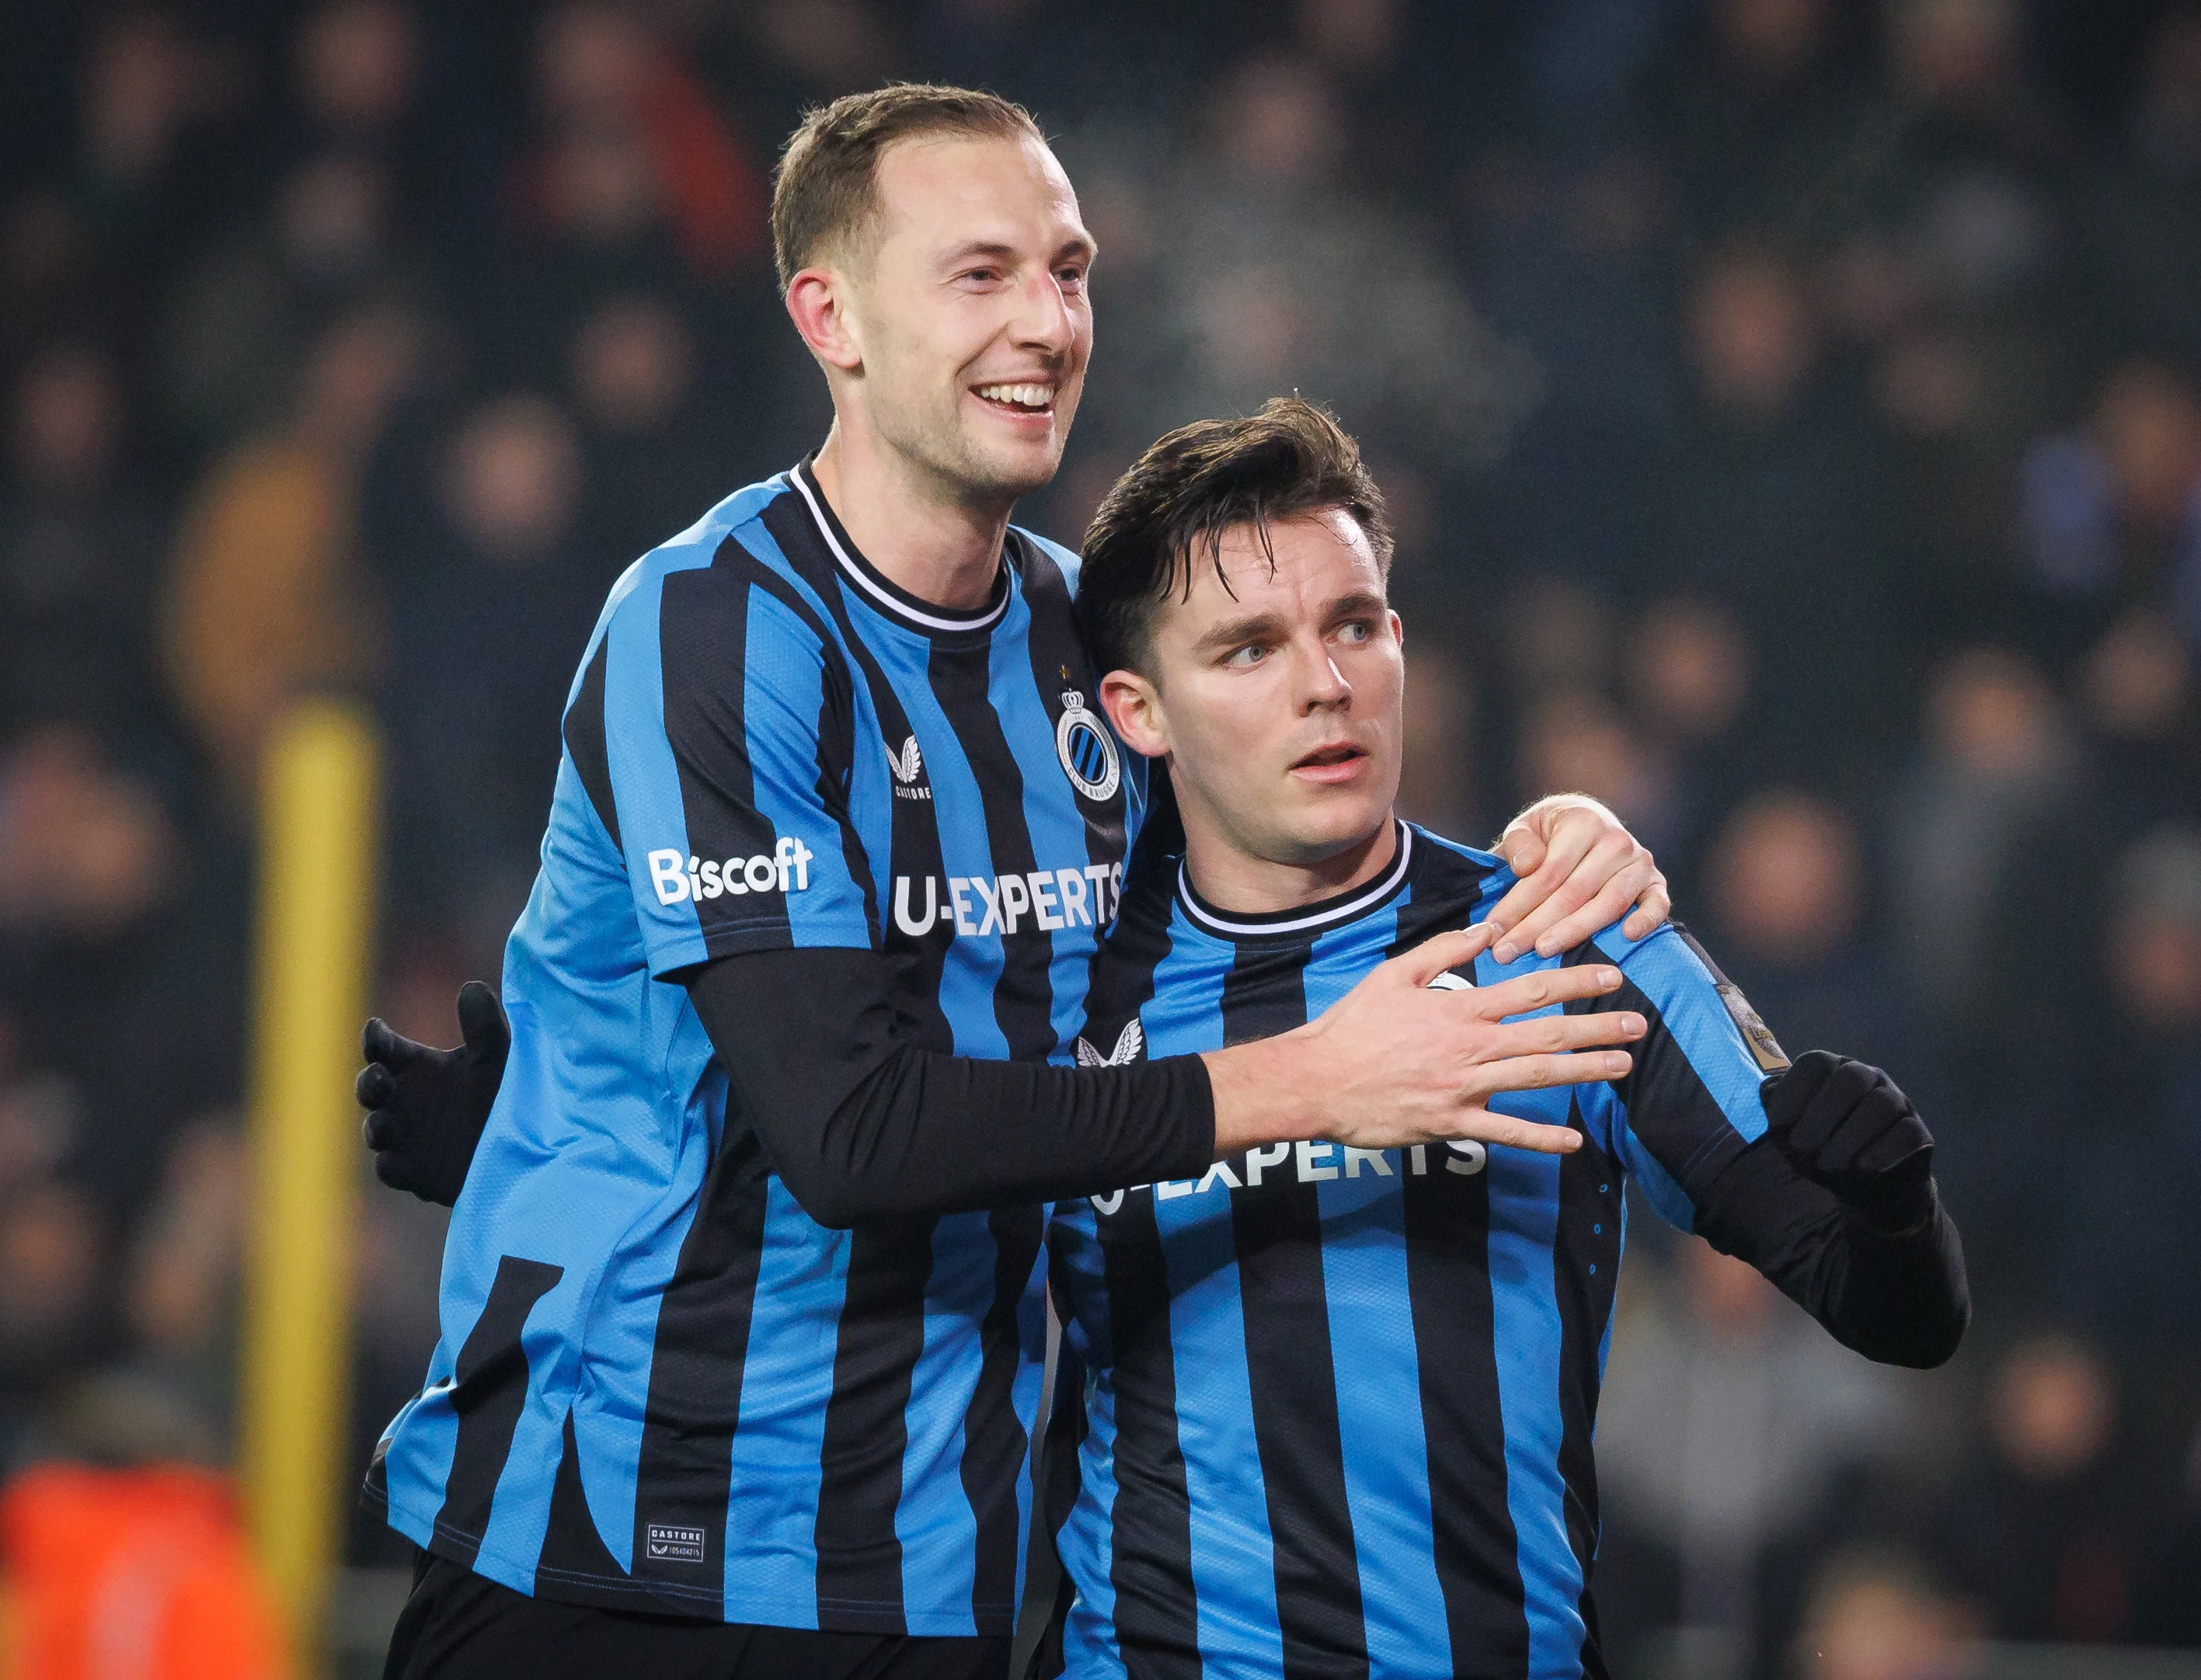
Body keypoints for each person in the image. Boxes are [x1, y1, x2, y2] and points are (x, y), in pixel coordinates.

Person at [359, 85, 1666, 1680]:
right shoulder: (707, 628)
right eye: (980, 275)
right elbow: (847, 1131)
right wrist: (1312, 1081)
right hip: (616, 1552)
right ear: (826, 315)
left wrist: (1557, 833)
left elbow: (1277, 901)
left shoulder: (1086, 644)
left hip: (937, 1562)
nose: (1046, 322)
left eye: (1070, 270)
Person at [1021, 398, 1967, 1678]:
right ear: (1139, 711)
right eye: (1248, 650)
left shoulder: (1567, 930)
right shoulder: (1059, 990)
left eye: (1354, 625)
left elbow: (1893, 1309)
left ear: (1400, 642)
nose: (1326, 683)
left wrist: (1896, 1206)